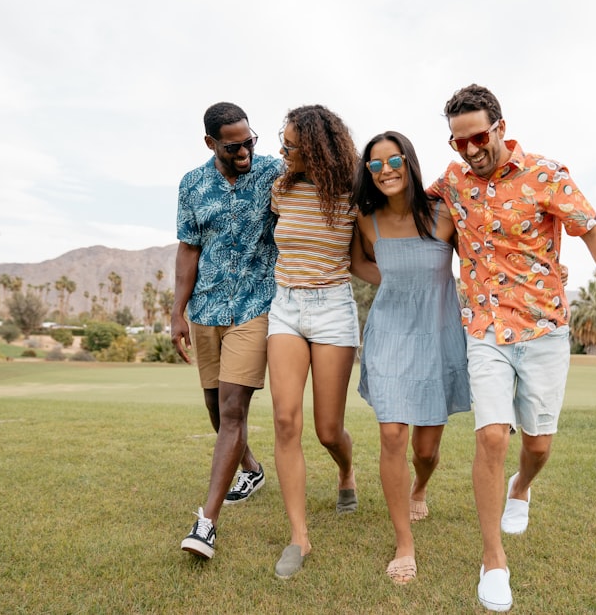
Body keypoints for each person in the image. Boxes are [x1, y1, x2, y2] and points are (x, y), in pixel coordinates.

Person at [428, 84, 596, 612]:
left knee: (538, 445)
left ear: (499, 126)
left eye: (477, 137)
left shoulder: (546, 173)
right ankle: (493, 559)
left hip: (544, 329)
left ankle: (522, 486)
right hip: (483, 329)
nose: (470, 150)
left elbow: (592, 230)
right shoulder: (452, 181)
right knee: (492, 436)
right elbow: (402, 202)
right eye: (458, 142)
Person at [352, 131, 471, 585]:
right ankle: (405, 542)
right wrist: (392, 278)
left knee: (426, 448)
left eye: (393, 160)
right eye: (376, 165)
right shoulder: (367, 221)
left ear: (409, 161)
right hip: (389, 335)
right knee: (392, 435)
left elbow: (477, 263)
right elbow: (355, 263)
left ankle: (420, 484)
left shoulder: (444, 215)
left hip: (439, 335)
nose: (386, 171)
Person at [172, 102, 285, 559]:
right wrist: (177, 311)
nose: (245, 151)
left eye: (250, 141)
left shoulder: (274, 172)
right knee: (215, 406)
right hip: (206, 309)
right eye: (234, 145)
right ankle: (251, 468)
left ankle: (206, 524)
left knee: (234, 407)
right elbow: (188, 249)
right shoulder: (192, 185)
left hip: (256, 305)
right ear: (210, 143)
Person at [267, 104, 363, 579]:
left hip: (332, 310)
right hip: (285, 306)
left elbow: (368, 253)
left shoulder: (350, 194)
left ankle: (345, 471)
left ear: (317, 151)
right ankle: (299, 537)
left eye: (292, 147)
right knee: (285, 419)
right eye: (282, 143)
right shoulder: (280, 189)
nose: (282, 152)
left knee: (328, 429)